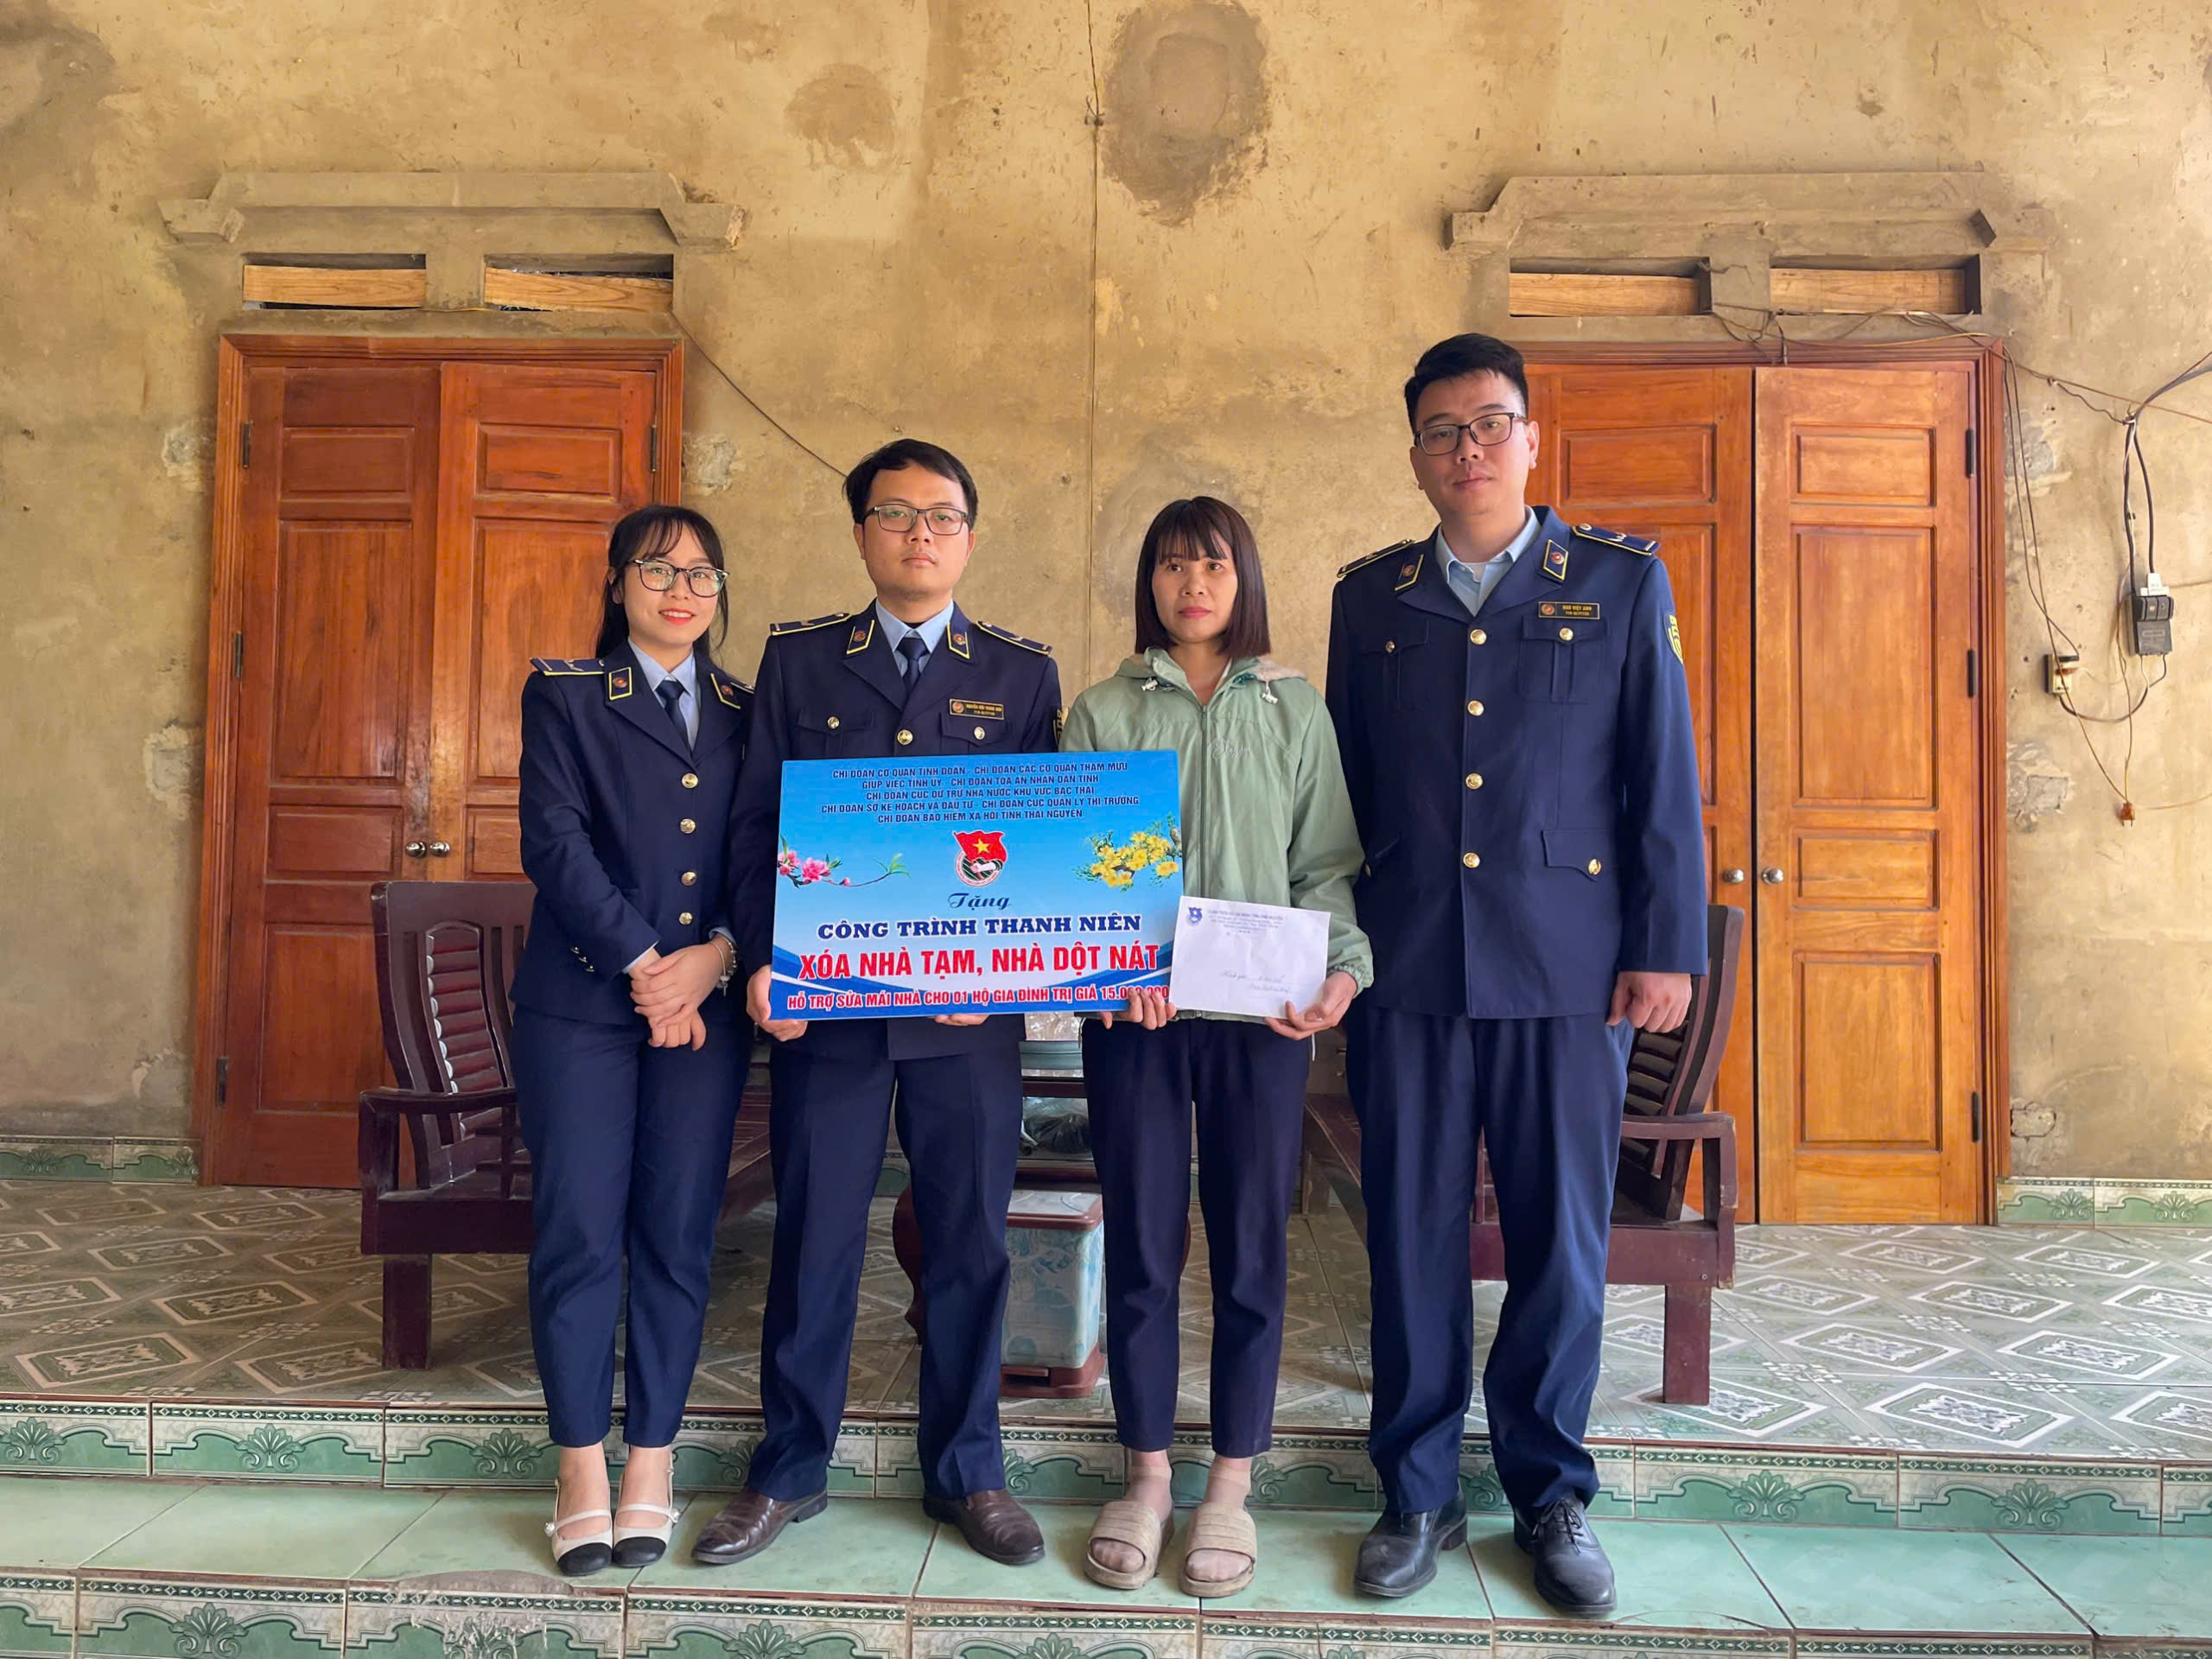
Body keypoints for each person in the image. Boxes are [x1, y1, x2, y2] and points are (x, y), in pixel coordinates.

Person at [1326, 334, 1706, 1615]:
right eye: (1442, 431)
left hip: (1569, 970)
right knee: (1410, 1236)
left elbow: (1660, 773)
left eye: (1490, 424)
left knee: (1559, 1243)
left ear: (1532, 439)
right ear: (1416, 455)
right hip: (1410, 970)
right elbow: (1344, 799)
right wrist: (1335, 951)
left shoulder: (1618, 579)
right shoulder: (1371, 600)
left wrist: (1666, 945)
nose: (1468, 449)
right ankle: (1416, 1490)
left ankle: (1550, 1493)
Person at [685, 438, 1062, 1569]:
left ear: (970, 538)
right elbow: (755, 828)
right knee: (814, 1240)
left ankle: (970, 1470)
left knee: (969, 1245)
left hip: (965, 1022)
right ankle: (789, 1466)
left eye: (941, 516)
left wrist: (1006, 973)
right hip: (831, 1012)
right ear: (861, 534)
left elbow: (1038, 845)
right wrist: (764, 958)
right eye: (895, 515)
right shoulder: (801, 663)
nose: (919, 535)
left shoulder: (1022, 673)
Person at [1059, 498, 1370, 1596]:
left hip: (1263, 1025)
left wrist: (1341, 971)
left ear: (1245, 580)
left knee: (1250, 1253)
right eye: (1171, 565)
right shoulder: (1100, 711)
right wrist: (1108, 970)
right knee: (1143, 1249)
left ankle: (1230, 1483)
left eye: (1214, 565)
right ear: (1147, 582)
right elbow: (1079, 868)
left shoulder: (1295, 709)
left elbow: (1325, 866)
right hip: (1135, 1026)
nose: (1192, 585)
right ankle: (1145, 1476)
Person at [510, 505, 752, 1575]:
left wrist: (720, 956)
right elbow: (554, 844)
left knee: (676, 1235)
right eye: (657, 570)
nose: (680, 591)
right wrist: (652, 967)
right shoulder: (566, 694)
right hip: (582, 1010)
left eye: (701, 574)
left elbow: (761, 853)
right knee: (578, 1232)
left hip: (705, 1012)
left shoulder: (746, 710)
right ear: (617, 584)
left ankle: (650, 1460)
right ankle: (579, 1468)